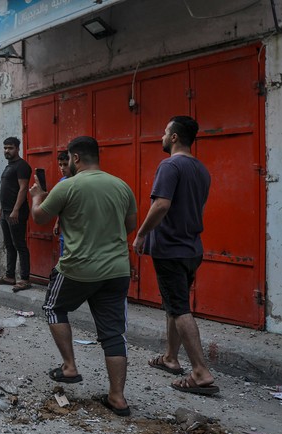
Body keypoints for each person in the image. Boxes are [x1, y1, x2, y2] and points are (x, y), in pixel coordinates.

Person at [29, 136, 138, 416]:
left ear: (75, 158)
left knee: (54, 307)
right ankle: (117, 398)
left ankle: (69, 367)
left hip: (78, 268)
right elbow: (129, 225)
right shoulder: (121, 186)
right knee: (113, 333)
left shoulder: (69, 185)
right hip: (116, 270)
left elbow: (40, 218)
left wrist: (37, 196)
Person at [133, 116, 216, 396]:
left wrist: (142, 234)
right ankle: (170, 358)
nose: (161, 136)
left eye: (165, 132)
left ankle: (200, 372)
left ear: (175, 137)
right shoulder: (201, 169)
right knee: (173, 303)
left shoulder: (170, 165)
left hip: (170, 248)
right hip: (192, 248)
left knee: (179, 308)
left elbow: (161, 205)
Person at [0, 136, 32, 291]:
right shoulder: (9, 166)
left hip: (16, 213)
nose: (7, 151)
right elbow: (8, 190)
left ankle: (25, 279)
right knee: (9, 245)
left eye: (10, 148)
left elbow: (23, 189)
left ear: (17, 148)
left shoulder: (22, 166)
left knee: (20, 245)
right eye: (5, 148)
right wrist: (1, 210)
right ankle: (10, 276)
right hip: (5, 212)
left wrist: (16, 209)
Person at [52, 150, 70, 258]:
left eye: (65, 165)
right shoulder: (62, 181)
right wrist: (57, 223)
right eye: (60, 165)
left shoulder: (80, 181)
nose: (62, 168)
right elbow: (61, 205)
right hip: (64, 229)